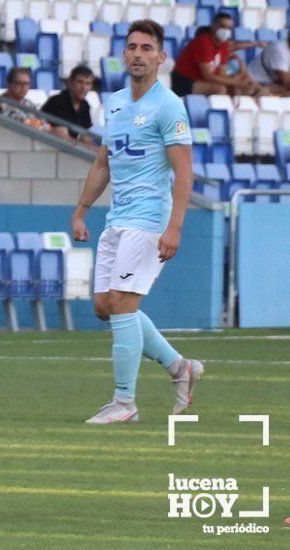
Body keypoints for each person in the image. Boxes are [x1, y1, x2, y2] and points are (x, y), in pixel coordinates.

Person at [71, 20, 204, 425]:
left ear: (161, 58)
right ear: (123, 54)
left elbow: (184, 172)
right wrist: (81, 210)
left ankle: (124, 402)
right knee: (104, 307)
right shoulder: (113, 103)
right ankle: (181, 367)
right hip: (118, 216)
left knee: (124, 306)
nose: (138, 54)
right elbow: (102, 162)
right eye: (132, 47)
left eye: (147, 48)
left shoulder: (169, 105)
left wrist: (175, 226)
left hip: (149, 218)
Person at [171, 13, 261, 96]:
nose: (225, 30)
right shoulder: (203, 42)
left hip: (202, 79)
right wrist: (235, 81)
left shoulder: (224, 46)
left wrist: (238, 80)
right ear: (213, 26)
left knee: (236, 88)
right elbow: (208, 76)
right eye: (222, 26)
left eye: (229, 28)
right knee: (220, 89)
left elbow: (222, 74)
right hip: (184, 80)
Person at [41, 65, 94, 144]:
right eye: (80, 82)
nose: (84, 88)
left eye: (88, 83)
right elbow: (62, 136)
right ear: (70, 83)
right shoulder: (57, 102)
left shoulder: (85, 105)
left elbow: (85, 137)